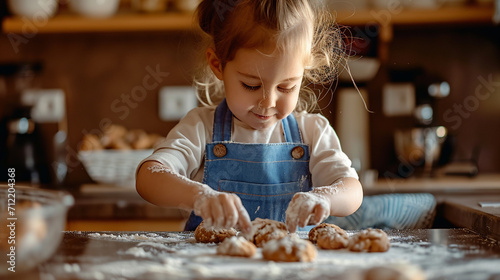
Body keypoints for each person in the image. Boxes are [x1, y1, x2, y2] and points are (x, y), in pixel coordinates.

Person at [136, 0, 363, 234]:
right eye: (251, 85)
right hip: (211, 267)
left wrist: (324, 198)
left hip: (292, 267)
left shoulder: (313, 132)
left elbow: (352, 190)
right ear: (217, 65)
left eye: (286, 87)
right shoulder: (201, 127)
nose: (268, 103)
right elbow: (149, 178)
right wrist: (199, 196)